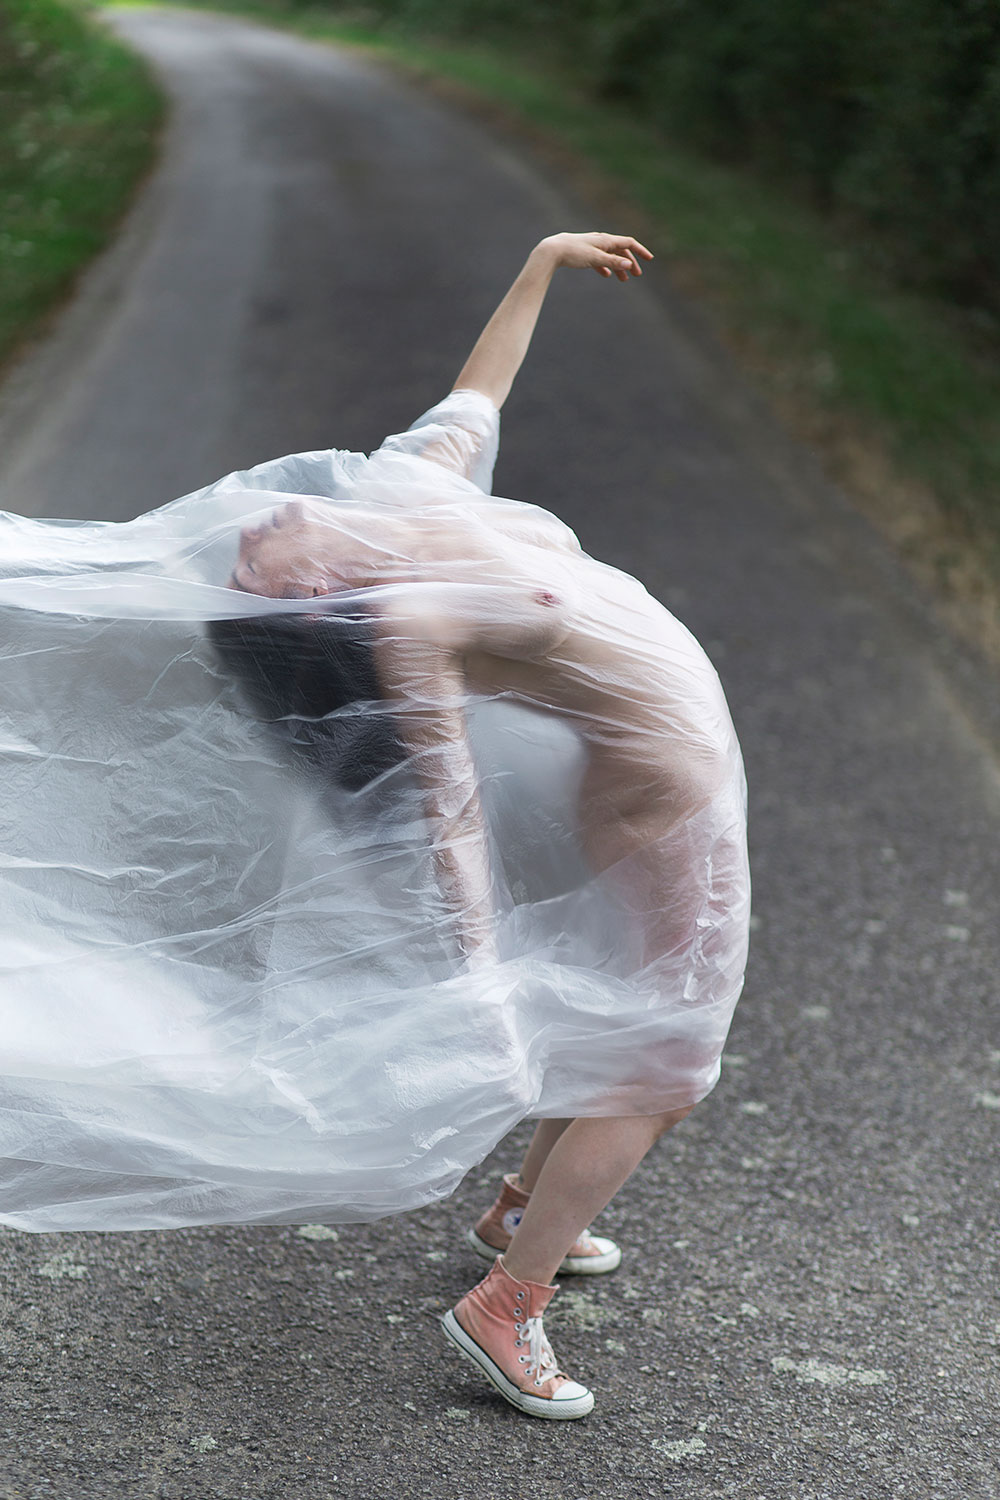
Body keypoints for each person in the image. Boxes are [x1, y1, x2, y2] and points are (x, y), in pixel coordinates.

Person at [0, 231, 749, 1423]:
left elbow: (478, 389)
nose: (246, 538)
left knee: (632, 1008)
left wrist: (543, 262)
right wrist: (476, 964)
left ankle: (523, 1209)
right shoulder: (401, 624)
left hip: (668, 766)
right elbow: (445, 810)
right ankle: (508, 1302)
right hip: (666, 793)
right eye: (250, 577)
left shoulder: (399, 487)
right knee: (671, 1067)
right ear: (312, 605)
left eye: (246, 540)